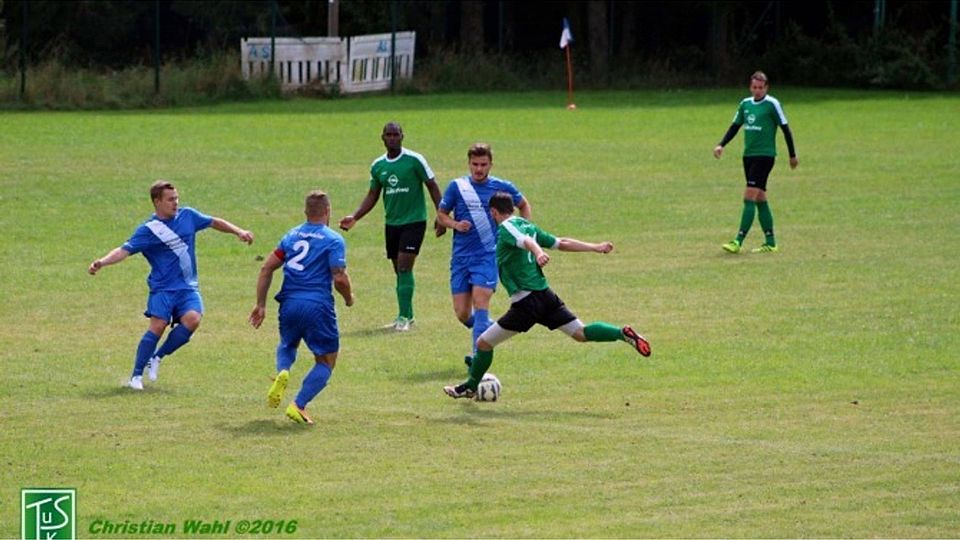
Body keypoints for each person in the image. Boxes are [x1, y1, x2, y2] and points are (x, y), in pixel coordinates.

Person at [443, 192, 651, 399]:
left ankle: (470, 387)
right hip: (545, 296)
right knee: (581, 333)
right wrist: (594, 247)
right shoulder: (528, 225)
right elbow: (561, 242)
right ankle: (620, 333)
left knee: (483, 344)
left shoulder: (507, 228)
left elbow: (526, 242)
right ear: (513, 209)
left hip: (526, 303)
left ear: (494, 212)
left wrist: (538, 253)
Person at [88, 180, 254, 390]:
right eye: (170, 199)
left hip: (187, 287)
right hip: (163, 288)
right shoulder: (149, 230)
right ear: (157, 202)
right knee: (158, 326)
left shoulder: (188, 216)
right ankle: (136, 376)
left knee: (193, 320)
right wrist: (102, 262)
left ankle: (157, 357)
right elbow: (124, 250)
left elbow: (214, 222)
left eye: (176, 198)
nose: (175, 203)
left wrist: (238, 231)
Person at [250, 190, 354, 425]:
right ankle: (298, 405)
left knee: (288, 344)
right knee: (326, 361)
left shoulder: (291, 235)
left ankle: (283, 370)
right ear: (328, 211)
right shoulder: (333, 239)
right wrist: (349, 298)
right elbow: (339, 278)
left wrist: (260, 305)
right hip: (317, 306)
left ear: (306, 212)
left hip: (288, 304)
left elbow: (266, 268)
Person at [338, 122, 444, 332]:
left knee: (405, 267)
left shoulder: (415, 160)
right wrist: (355, 216)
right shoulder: (378, 166)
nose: (393, 138)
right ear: (383, 138)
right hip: (392, 223)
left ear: (402, 136)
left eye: (396, 134)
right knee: (399, 271)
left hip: (414, 221)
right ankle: (407, 315)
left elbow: (432, 185)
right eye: (389, 135)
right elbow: (373, 194)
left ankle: (404, 317)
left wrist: (441, 216)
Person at [436, 143, 531, 368]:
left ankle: (477, 358)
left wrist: (522, 230)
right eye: (475, 164)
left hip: (488, 256)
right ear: (468, 163)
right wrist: (455, 224)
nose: (479, 169)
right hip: (460, 258)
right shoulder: (457, 187)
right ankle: (489, 329)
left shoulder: (501, 187)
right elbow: (441, 215)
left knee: (481, 303)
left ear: (491, 164)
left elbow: (524, 205)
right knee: (461, 313)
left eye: (483, 165)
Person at [714, 70, 798, 254]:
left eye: (761, 87)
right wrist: (721, 144)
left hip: (765, 156)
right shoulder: (745, 104)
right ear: (750, 87)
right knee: (760, 198)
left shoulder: (772, 104)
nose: (757, 91)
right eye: (754, 87)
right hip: (748, 156)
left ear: (766, 87)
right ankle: (771, 242)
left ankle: (738, 241)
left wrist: (792, 155)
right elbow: (735, 127)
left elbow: (786, 129)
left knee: (748, 197)